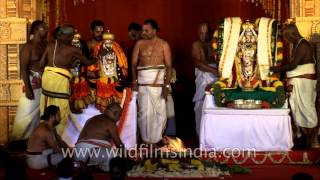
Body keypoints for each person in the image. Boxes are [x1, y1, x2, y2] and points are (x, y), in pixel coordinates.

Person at [40, 25, 97, 137]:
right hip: (59, 82)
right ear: (68, 36)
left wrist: (65, 65)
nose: (72, 38)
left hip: (46, 80)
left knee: (46, 108)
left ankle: (43, 135)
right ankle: (55, 138)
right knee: (60, 110)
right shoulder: (73, 49)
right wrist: (95, 57)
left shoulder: (51, 45)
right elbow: (87, 62)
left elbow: (41, 64)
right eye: (71, 36)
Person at [270, 23, 318, 148]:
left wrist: (276, 69)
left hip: (304, 83)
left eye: (287, 37)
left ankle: (310, 140)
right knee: (298, 110)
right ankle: (303, 138)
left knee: (307, 110)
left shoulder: (303, 45)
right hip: (299, 82)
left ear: (292, 34)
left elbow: (293, 65)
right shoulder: (297, 44)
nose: (286, 40)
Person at [131, 19, 173, 144]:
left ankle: (156, 140)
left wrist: (166, 86)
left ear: (154, 31)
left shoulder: (164, 44)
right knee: (143, 114)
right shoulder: (139, 44)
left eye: (146, 30)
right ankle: (145, 140)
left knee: (160, 114)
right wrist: (134, 82)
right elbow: (133, 64)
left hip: (159, 85)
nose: (143, 32)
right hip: (143, 85)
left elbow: (169, 66)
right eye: (142, 30)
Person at [11, 20, 48, 141]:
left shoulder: (46, 44)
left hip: (44, 81)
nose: (46, 30)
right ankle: (17, 140)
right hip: (32, 82)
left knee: (38, 114)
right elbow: (23, 68)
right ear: (36, 30)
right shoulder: (28, 46)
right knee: (26, 112)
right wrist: (27, 87)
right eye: (43, 28)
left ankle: (31, 140)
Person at [74, 103, 124, 172]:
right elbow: (119, 145)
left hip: (77, 153)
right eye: (119, 116)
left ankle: (89, 166)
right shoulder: (110, 122)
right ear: (116, 114)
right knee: (116, 157)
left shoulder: (90, 119)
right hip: (94, 153)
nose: (118, 119)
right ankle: (96, 168)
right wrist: (126, 157)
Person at [87, 31, 129, 112]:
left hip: (114, 75)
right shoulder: (99, 47)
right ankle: (104, 108)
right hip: (103, 75)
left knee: (115, 91)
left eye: (110, 41)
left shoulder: (116, 47)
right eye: (107, 41)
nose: (108, 43)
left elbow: (122, 60)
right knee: (104, 91)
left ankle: (114, 109)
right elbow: (95, 60)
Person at [192, 22, 218, 135]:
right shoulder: (196, 45)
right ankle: (201, 136)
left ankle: (213, 136)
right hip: (204, 77)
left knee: (214, 105)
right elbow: (197, 63)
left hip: (216, 78)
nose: (204, 36)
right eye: (201, 33)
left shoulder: (215, 44)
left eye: (206, 33)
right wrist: (213, 71)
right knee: (200, 105)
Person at [26, 105, 68, 169]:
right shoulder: (45, 130)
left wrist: (68, 148)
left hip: (41, 154)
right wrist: (70, 153)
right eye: (58, 115)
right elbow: (56, 148)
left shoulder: (51, 127)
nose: (60, 117)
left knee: (64, 152)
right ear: (52, 117)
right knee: (63, 157)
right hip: (35, 160)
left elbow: (60, 140)